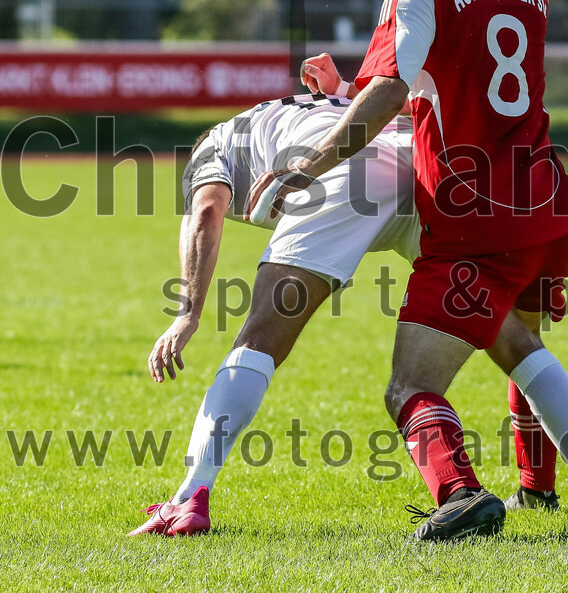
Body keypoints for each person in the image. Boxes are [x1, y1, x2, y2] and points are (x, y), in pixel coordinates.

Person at [247, 0, 568, 542]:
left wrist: (313, 158)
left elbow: (396, 86)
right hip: (547, 202)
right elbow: (447, 91)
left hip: (473, 217)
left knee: (410, 388)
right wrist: (347, 95)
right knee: (519, 339)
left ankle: (458, 493)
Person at [128, 86, 420, 536]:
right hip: (417, 162)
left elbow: (207, 210)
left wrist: (188, 312)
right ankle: (561, 479)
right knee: (505, 329)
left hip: (339, 177)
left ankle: (189, 496)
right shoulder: (312, 107)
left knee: (259, 340)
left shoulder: (216, 143)